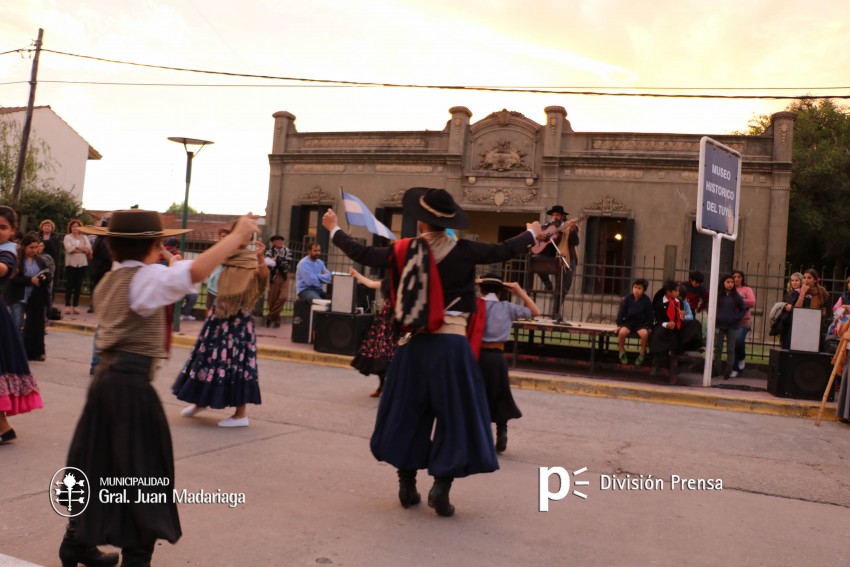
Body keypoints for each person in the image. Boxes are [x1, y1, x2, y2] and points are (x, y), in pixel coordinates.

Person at [322, 186, 540, 517]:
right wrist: (532, 233)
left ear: (421, 221)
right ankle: (441, 487)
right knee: (455, 417)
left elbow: (362, 254)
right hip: (452, 347)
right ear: (449, 221)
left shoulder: (402, 250)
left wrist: (334, 229)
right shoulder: (465, 251)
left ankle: (407, 483)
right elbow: (503, 250)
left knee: (408, 414)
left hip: (413, 346)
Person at [58, 209, 259, 567]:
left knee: (99, 464)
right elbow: (195, 272)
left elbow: (177, 274)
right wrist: (237, 236)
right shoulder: (146, 279)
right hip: (131, 389)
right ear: (153, 247)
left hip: (106, 384)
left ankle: (76, 542)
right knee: (144, 475)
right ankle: (135, 558)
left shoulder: (111, 278)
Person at [173, 234, 269, 428]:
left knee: (236, 364)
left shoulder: (248, 259)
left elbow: (262, 278)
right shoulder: (223, 258)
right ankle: (200, 401)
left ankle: (240, 414)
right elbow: (204, 275)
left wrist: (260, 257)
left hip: (237, 322)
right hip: (217, 318)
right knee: (206, 359)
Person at [477, 273, 540, 453]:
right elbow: (535, 312)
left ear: (480, 288)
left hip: (478, 356)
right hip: (498, 357)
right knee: (500, 394)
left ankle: (481, 438)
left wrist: (473, 282)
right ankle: (502, 430)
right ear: (500, 291)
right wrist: (520, 291)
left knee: (478, 396)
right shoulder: (507, 307)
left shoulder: (475, 305)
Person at [0, 207, 44, 446]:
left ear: (12, 231)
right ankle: (3, 428)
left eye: (3, 227)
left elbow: (3, 268)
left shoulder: (8, 251)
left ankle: (3, 428)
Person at [348, 267, 397, 397]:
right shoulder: (388, 280)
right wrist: (357, 275)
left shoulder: (404, 281)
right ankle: (382, 386)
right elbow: (371, 284)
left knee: (392, 356)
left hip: (396, 321)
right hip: (384, 321)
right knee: (380, 355)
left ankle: (391, 388)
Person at [8, 234, 51, 361]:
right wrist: (29, 280)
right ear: (24, 247)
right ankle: (15, 352)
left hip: (35, 297)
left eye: (36, 247)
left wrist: (44, 278)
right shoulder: (17, 261)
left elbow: (48, 274)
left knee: (35, 325)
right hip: (19, 296)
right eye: (31, 247)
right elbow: (13, 279)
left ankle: (34, 352)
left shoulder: (40, 261)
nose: (34, 250)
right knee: (17, 324)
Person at [532, 205, 579, 297]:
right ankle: (547, 284)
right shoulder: (547, 226)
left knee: (561, 289)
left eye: (557, 215)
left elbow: (575, 242)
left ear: (562, 216)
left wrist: (573, 230)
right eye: (553, 215)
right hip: (551, 256)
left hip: (565, 258)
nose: (554, 217)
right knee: (535, 259)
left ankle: (556, 305)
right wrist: (539, 237)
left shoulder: (569, 226)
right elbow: (538, 234)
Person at [615, 278, 654, 366]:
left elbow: (650, 315)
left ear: (643, 290)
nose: (636, 290)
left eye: (639, 288)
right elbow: (621, 311)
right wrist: (619, 324)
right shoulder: (628, 298)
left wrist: (649, 327)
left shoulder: (646, 300)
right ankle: (621, 351)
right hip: (628, 322)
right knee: (622, 332)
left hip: (640, 323)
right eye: (635, 287)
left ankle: (642, 353)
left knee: (644, 334)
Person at [713, 274, 746, 379]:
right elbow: (711, 306)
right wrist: (715, 317)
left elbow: (743, 309)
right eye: (728, 282)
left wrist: (736, 317)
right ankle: (716, 369)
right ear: (723, 283)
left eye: (732, 282)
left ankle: (728, 370)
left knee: (731, 349)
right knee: (718, 348)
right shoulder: (718, 295)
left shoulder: (736, 296)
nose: (730, 284)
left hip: (732, 326)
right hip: (719, 325)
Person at [63, 218, 91, 315]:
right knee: (70, 284)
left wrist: (76, 248)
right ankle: (67, 305)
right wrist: (81, 249)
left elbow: (88, 249)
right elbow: (69, 249)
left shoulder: (84, 237)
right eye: (73, 226)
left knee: (78, 285)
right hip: (71, 263)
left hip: (82, 264)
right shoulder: (67, 237)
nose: (75, 228)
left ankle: (75, 305)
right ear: (70, 228)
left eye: (76, 226)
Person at [264, 234, 292, 328]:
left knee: (283, 297)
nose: (280, 242)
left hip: (285, 276)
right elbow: (267, 262)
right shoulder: (269, 251)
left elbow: (287, 262)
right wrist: (276, 261)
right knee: (272, 299)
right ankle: (277, 320)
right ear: (273, 243)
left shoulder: (287, 250)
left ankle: (270, 316)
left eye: (281, 240)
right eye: (277, 240)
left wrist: (275, 260)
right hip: (273, 276)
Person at [88, 216, 113, 313]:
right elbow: (107, 255)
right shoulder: (104, 240)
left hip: (97, 267)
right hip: (103, 268)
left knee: (96, 287)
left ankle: (94, 305)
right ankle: (97, 305)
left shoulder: (99, 239)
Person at [732, 270, 756, 373]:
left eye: (739, 277)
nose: (736, 279)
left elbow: (752, 302)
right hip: (731, 320)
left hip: (744, 320)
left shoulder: (747, 289)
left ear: (742, 278)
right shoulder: (730, 289)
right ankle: (734, 368)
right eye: (734, 277)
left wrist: (737, 300)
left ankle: (742, 357)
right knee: (733, 344)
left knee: (739, 340)